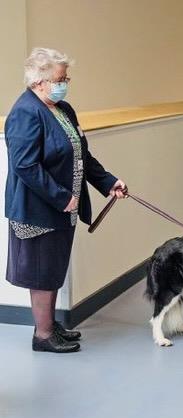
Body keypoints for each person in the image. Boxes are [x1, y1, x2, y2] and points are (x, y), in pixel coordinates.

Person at [4, 48, 127, 353]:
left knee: (54, 267)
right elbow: (25, 165)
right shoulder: (25, 112)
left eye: (66, 78)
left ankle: (47, 325)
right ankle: (43, 336)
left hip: (63, 207)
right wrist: (62, 198)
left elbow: (81, 156)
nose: (65, 83)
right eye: (60, 78)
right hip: (38, 208)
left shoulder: (63, 109)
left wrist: (109, 182)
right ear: (39, 81)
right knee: (42, 271)